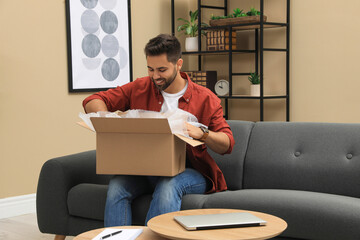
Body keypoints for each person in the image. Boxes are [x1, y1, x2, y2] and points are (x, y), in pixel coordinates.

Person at [82, 34, 235, 227]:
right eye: (150, 69)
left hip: (190, 171)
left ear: (179, 64)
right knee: (117, 187)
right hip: (146, 169)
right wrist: (106, 118)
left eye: (162, 70)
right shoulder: (140, 87)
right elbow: (93, 100)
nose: (155, 76)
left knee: (168, 185)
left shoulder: (205, 98)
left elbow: (227, 144)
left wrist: (203, 133)